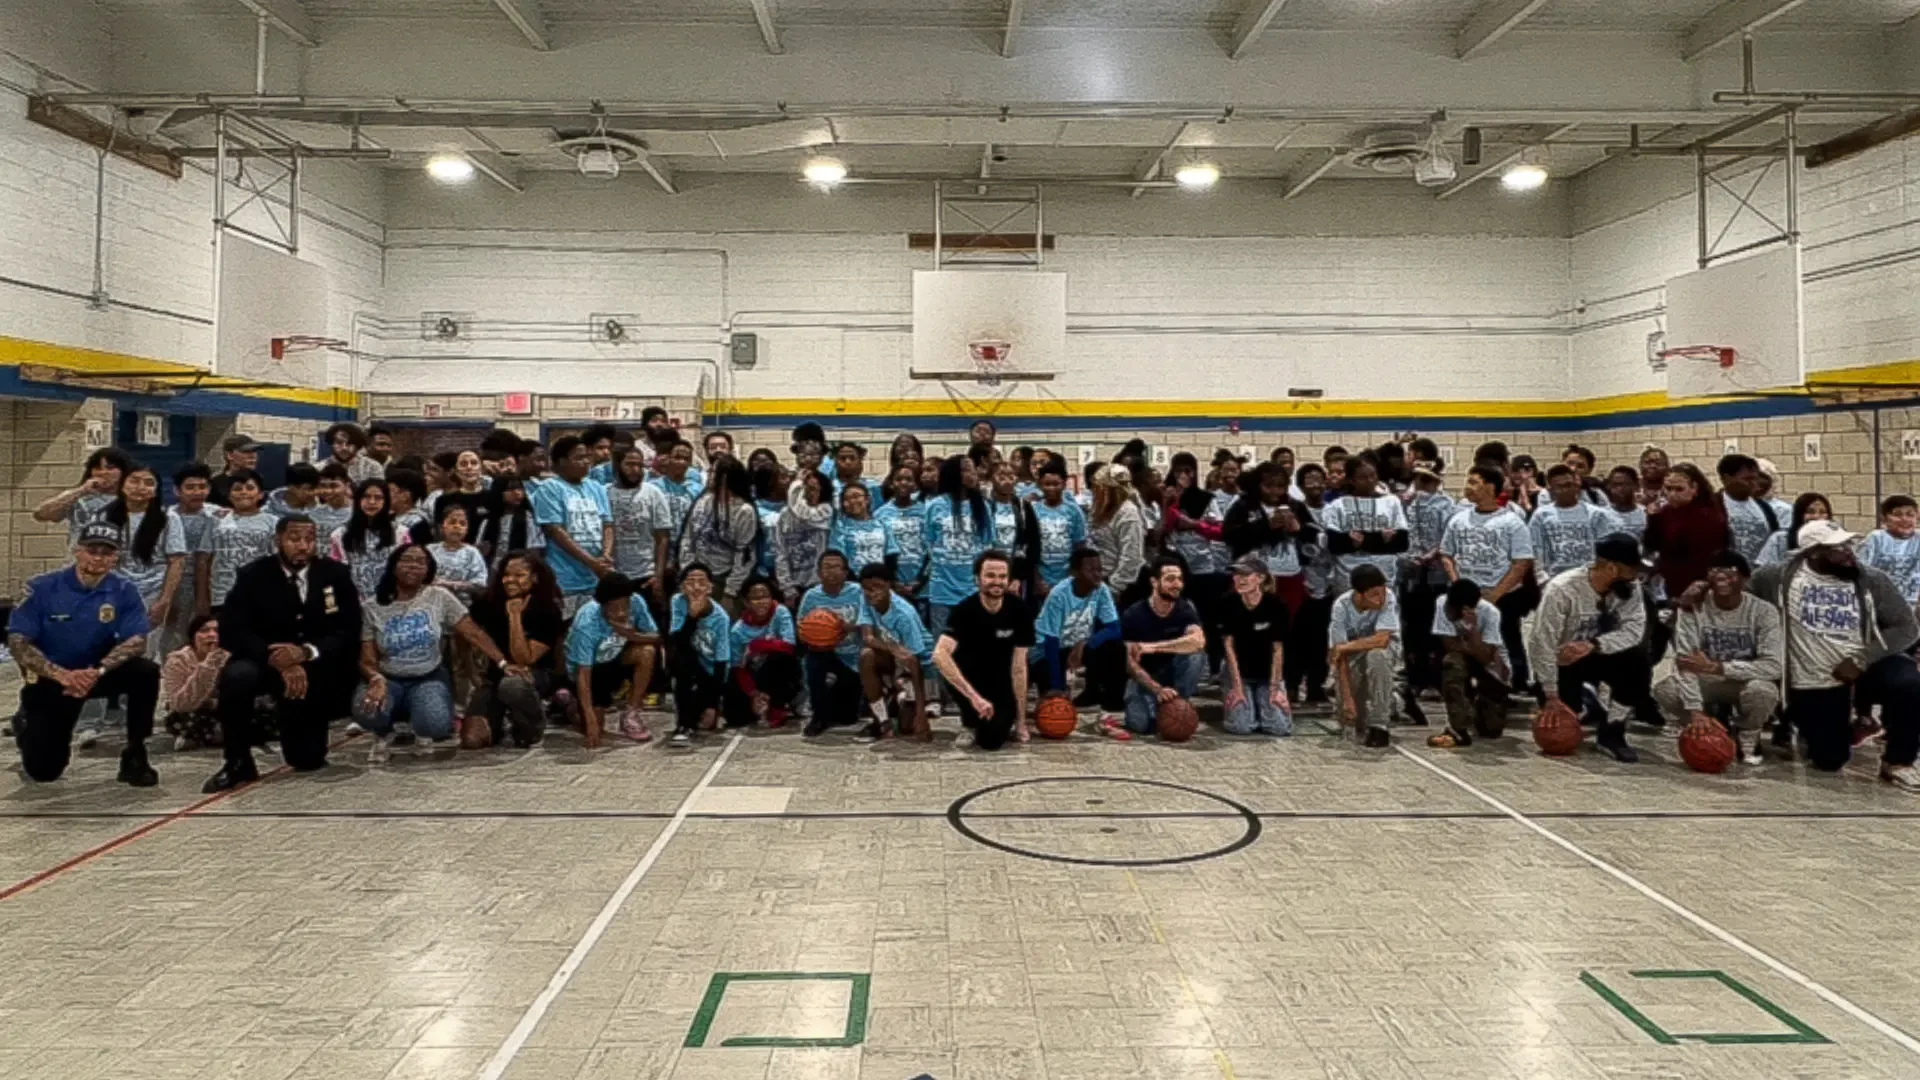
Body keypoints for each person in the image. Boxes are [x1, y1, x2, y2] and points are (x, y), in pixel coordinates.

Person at [1748, 520, 1920, 785]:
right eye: (1837, 547)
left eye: (1847, 543)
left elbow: (1907, 628)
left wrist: (1862, 658)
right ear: (1814, 552)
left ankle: (1898, 761)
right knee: (1829, 761)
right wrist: (1701, 592)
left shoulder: (1872, 579)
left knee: (1907, 681)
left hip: (1864, 665)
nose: (1848, 551)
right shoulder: (1775, 578)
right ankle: (1838, 726)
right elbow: (1741, 595)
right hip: (1815, 678)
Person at [204, 514, 362, 792]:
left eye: (309, 540)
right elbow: (232, 629)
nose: (302, 546)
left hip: (313, 664)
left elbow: (348, 629)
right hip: (263, 660)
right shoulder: (253, 575)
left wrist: (305, 652)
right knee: (237, 677)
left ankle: (300, 735)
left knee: (307, 759)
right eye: (295, 539)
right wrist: (274, 657)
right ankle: (237, 760)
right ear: (278, 540)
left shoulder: (335, 574)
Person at [6, 523, 161, 785]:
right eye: (92, 550)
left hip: (95, 672)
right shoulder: (41, 588)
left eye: (106, 552)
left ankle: (136, 750)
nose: (98, 558)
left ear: (115, 558)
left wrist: (97, 671)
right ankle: (26, 725)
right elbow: (18, 641)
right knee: (44, 772)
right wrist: (61, 675)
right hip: (52, 678)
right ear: (78, 551)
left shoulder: (124, 590)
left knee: (146, 672)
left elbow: (136, 640)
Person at [355, 545, 513, 762]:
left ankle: (422, 731)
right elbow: (366, 658)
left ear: (428, 569)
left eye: (421, 562)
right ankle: (382, 734)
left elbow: (473, 633)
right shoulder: (372, 606)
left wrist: (503, 662)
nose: (413, 566)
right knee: (366, 709)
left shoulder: (439, 596)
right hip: (389, 678)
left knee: (436, 722)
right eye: (407, 560)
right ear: (393, 566)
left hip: (427, 676)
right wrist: (376, 678)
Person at [1529, 534, 1652, 764]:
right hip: (1563, 660)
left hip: (1598, 652)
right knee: (1564, 716)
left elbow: (1634, 631)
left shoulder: (1631, 588)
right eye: (1633, 568)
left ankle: (1613, 731)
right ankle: (1586, 702)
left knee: (1638, 661)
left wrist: (1594, 645)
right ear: (1613, 569)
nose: (1637, 575)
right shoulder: (1561, 589)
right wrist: (1551, 695)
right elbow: (1541, 642)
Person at [1653, 550, 1783, 765]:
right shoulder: (1692, 607)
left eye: (1730, 573)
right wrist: (1695, 711)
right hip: (1707, 680)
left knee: (1764, 692)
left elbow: (1773, 667)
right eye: (1715, 573)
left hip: (1741, 680)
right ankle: (1705, 725)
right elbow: (1686, 664)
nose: (1722, 580)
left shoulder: (1764, 612)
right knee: (1665, 690)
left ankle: (1748, 733)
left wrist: (1719, 667)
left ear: (1745, 579)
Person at [1440, 465, 1535, 692]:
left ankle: (1513, 682)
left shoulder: (1512, 522)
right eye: (1468, 481)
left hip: (1503, 596)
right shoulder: (1458, 519)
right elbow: (1446, 555)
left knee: (1506, 638)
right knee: (1468, 639)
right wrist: (1458, 586)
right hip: (1467, 596)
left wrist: (1495, 594)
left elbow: (1521, 562)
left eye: (1475, 482)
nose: (1468, 487)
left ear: (1491, 487)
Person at [932, 550, 1034, 750]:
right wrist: (975, 698)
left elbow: (1019, 666)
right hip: (971, 679)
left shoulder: (1019, 611)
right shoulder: (964, 611)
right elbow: (939, 654)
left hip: (1002, 678)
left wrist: (1021, 722)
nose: (996, 581)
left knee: (992, 741)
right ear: (977, 579)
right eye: (990, 576)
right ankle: (968, 721)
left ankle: (1001, 718)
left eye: (1002, 576)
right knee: (948, 664)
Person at [469, 553, 564, 748]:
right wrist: (472, 671)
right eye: (506, 574)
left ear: (535, 578)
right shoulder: (489, 600)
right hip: (496, 673)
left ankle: (532, 725)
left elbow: (524, 659)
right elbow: (465, 630)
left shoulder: (548, 609)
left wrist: (514, 616)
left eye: (519, 575)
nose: (510, 580)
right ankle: (499, 720)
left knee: (512, 685)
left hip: (533, 674)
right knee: (472, 739)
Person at [562, 572, 659, 747]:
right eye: (614, 608)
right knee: (594, 726)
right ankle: (569, 705)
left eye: (625, 606)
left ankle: (632, 712)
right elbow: (583, 675)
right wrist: (590, 719)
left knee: (647, 651)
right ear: (603, 606)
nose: (621, 612)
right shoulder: (586, 623)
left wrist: (632, 635)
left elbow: (657, 637)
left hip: (615, 658)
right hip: (589, 669)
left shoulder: (636, 602)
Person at [101, 462, 187, 652]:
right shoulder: (103, 516)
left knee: (146, 650)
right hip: (113, 591)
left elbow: (176, 562)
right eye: (134, 481)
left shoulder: (168, 518)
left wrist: (164, 601)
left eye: (148, 483)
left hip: (152, 592)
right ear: (122, 485)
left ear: (156, 491)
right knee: (111, 648)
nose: (140, 487)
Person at [1034, 547, 1125, 725]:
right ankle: (1051, 689)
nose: (1098, 574)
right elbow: (1051, 642)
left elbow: (1114, 628)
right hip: (1048, 650)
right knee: (1054, 702)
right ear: (1075, 572)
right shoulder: (1059, 595)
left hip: (1078, 645)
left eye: (1100, 569)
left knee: (1115, 647)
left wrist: (1085, 643)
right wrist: (1057, 686)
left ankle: (1106, 699)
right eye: (1091, 570)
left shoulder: (1101, 589)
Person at [1119, 557, 1207, 739]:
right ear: (1154, 582)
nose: (1177, 584)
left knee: (1196, 656)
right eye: (1170, 579)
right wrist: (1157, 689)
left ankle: (1178, 702)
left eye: (1180, 579)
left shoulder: (1185, 608)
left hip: (1174, 674)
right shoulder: (1133, 614)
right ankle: (1159, 707)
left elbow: (1197, 641)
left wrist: (1153, 647)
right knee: (1141, 725)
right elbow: (1131, 665)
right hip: (1145, 678)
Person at [534, 435, 615, 619]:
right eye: (579, 458)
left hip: (596, 577)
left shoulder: (596, 487)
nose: (586, 462)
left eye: (587, 457)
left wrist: (606, 556)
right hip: (565, 578)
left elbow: (608, 524)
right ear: (562, 462)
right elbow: (555, 530)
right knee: (565, 631)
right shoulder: (549, 488)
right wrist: (591, 562)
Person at [1427, 578, 1511, 749]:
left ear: (1466, 609)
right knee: (1452, 663)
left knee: (1491, 730)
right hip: (1464, 657)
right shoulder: (1442, 602)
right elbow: (1449, 645)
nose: (1447, 612)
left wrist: (1473, 633)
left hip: (1494, 668)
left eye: (1451, 610)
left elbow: (1486, 659)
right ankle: (1458, 728)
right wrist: (1472, 648)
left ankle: (1479, 704)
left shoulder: (1490, 613)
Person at [856, 562, 932, 741]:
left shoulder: (904, 614)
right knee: (866, 656)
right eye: (867, 588)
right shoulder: (865, 598)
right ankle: (882, 721)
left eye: (878, 587)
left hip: (921, 665)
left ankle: (905, 700)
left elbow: (915, 663)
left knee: (908, 728)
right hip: (893, 655)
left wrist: (921, 714)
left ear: (889, 586)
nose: (872, 593)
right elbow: (868, 637)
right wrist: (894, 649)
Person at [1216, 555, 1291, 737]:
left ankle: (1262, 704)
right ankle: (1250, 706)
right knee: (1241, 727)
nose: (1239, 579)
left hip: (1268, 674)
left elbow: (1277, 649)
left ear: (1260, 578)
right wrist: (1237, 687)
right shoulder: (1227, 603)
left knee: (1279, 728)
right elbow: (1228, 647)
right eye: (1236, 574)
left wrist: (1275, 690)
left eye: (1246, 575)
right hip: (1239, 672)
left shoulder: (1276, 605)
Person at [1328, 564, 1401, 748]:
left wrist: (1346, 646)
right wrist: (1347, 699)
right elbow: (1339, 657)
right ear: (1359, 594)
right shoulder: (1341, 607)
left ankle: (1380, 724)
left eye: (1382, 592)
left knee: (1378, 657)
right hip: (1352, 656)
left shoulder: (1388, 599)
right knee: (1353, 720)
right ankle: (1395, 701)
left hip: (1381, 650)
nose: (1380, 598)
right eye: (1374, 595)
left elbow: (1382, 639)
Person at [797, 550, 867, 736]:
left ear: (845, 572)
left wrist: (847, 627)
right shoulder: (811, 596)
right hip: (824, 651)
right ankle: (818, 716)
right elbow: (801, 627)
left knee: (846, 718)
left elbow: (872, 623)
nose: (832, 572)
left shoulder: (858, 592)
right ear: (819, 573)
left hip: (853, 655)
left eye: (837, 567)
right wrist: (817, 636)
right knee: (813, 663)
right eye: (827, 567)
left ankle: (842, 701)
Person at [678, 455, 761, 606]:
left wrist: (731, 591)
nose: (709, 473)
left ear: (724, 478)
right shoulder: (703, 501)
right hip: (696, 572)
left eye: (713, 472)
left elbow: (744, 555)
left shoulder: (744, 510)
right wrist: (687, 571)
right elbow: (688, 538)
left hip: (723, 577)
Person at [665, 563, 733, 747]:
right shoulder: (678, 601)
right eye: (690, 582)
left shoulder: (721, 618)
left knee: (709, 720)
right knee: (679, 659)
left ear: (710, 587)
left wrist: (713, 704)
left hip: (712, 672)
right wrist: (692, 616)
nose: (696, 588)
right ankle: (683, 725)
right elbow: (677, 640)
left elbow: (721, 662)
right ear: (682, 587)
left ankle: (712, 707)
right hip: (690, 663)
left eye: (702, 583)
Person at [1644, 463, 1728, 601]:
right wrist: (1652, 519)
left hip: (1700, 584)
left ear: (1694, 488)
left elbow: (1711, 555)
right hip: (1669, 583)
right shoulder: (1664, 513)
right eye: (1668, 488)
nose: (1672, 494)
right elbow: (1652, 545)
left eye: (1679, 489)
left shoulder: (1709, 516)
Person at [1321, 458, 1410, 589]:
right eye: (1363, 477)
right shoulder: (1337, 505)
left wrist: (1360, 542)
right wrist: (1381, 539)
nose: (1370, 481)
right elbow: (1334, 545)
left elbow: (1402, 542)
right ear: (1351, 480)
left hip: (1384, 573)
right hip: (1348, 574)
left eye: (1373, 476)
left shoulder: (1391, 502)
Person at [726, 575, 801, 728]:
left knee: (781, 657)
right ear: (746, 602)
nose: (762, 602)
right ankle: (758, 705)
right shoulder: (737, 631)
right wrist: (754, 694)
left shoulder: (781, 612)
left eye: (765, 596)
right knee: (735, 719)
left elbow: (789, 646)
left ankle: (777, 705)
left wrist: (755, 645)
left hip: (779, 674)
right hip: (753, 676)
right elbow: (738, 668)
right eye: (755, 598)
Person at [208, 470, 279, 609]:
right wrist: (202, 598)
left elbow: (278, 561)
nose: (243, 492)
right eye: (237, 489)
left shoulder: (273, 522)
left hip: (260, 595)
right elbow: (204, 559)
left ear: (260, 494)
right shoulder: (216, 520)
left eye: (250, 488)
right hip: (221, 595)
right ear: (229, 495)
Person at [1529, 464, 1613, 581]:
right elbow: (1535, 549)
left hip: (1589, 579)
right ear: (1550, 489)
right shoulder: (1541, 515)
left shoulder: (1595, 514)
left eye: (1569, 485)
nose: (1565, 490)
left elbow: (1607, 550)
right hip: (1555, 579)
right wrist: (1542, 579)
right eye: (1560, 486)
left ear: (1576, 486)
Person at [33, 446, 129, 545]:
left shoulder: (133, 499)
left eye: (110, 468)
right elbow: (41, 514)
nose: (103, 473)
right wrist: (81, 491)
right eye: (97, 468)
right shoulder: (77, 497)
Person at [161, 614, 230, 750]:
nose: (211, 635)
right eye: (204, 631)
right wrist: (209, 664)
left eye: (217, 631)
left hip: (223, 709)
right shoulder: (177, 660)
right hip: (191, 711)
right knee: (183, 718)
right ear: (193, 636)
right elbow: (180, 704)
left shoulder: (229, 656)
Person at [329, 479, 402, 601]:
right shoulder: (339, 535)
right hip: (352, 601)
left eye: (378, 497)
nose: (372, 502)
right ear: (357, 500)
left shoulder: (400, 532)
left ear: (386, 502)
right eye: (366, 497)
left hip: (391, 600)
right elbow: (334, 573)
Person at [774, 468, 837, 603]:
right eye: (807, 488)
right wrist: (787, 586)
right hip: (794, 583)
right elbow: (780, 551)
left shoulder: (829, 514)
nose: (810, 493)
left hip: (821, 583)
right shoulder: (786, 514)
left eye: (814, 489)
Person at [1030, 458, 1089, 599]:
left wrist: (1073, 577)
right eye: (1047, 484)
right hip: (1042, 577)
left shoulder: (1074, 511)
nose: (1051, 488)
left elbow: (1080, 546)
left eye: (1056, 484)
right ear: (1040, 485)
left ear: (1064, 484)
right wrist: (1037, 580)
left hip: (1067, 576)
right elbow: (1030, 549)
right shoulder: (1033, 510)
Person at [1089, 464, 1147, 602]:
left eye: (1099, 487)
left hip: (1121, 586)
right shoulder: (1102, 509)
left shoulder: (1127, 513)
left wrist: (1115, 587)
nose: (1095, 491)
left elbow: (1131, 556)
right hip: (1100, 578)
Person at [875, 464, 930, 602]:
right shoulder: (881, 514)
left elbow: (932, 549)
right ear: (892, 483)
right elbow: (879, 550)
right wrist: (892, 581)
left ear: (915, 485)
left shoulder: (926, 512)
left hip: (921, 585)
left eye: (909, 479)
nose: (903, 483)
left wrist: (920, 581)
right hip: (893, 584)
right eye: (899, 479)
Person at [828, 481, 897, 584]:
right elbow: (839, 560)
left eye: (856, 496)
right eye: (846, 499)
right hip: (852, 583)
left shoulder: (882, 524)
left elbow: (891, 555)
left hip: (880, 583)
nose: (852, 501)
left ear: (867, 499)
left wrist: (886, 581)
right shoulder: (840, 527)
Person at [1859, 495, 1920, 610]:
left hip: (1911, 606)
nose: (1904, 519)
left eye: (1910, 514)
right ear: (1884, 518)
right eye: (1897, 514)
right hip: (1878, 606)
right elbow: (1860, 572)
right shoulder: (1876, 539)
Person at [1717, 453, 1779, 563]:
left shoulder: (1764, 508)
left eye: (1755, 479)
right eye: (1747, 479)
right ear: (1726, 478)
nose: (1753, 483)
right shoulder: (1713, 507)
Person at [1755, 492, 1832, 568]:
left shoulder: (1835, 541)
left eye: (1823, 512)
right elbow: (1763, 570)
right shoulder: (1780, 539)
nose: (1817, 517)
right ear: (1799, 514)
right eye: (1810, 512)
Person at [207, 434, 262, 508]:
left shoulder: (258, 479)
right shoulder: (214, 483)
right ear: (230, 455)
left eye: (254, 451)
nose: (252, 455)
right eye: (246, 451)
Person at [1599, 465, 1647, 541]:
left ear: (1636, 486)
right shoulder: (1601, 515)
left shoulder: (1646, 514)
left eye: (1625, 484)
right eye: (1615, 485)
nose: (1619, 489)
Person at [309, 462, 355, 540]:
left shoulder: (360, 512)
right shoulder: (314, 513)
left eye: (334, 486)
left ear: (347, 485)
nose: (328, 491)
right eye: (323, 486)